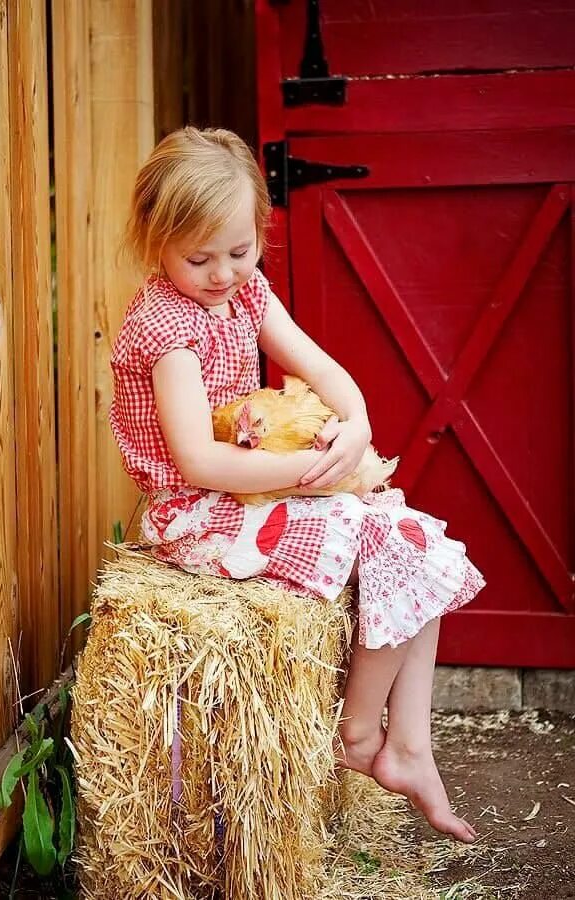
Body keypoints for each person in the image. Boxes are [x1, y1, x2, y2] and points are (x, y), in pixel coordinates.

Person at [110, 126, 485, 843]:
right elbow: (200, 464)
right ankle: (356, 735)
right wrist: (317, 477)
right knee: (372, 528)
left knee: (415, 547)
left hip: (251, 490)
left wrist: (356, 424)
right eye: (200, 258)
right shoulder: (166, 329)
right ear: (155, 239)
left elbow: (324, 370)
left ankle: (405, 744)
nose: (223, 273)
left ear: (258, 234)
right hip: (196, 513)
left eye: (240, 251)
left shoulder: (246, 294)